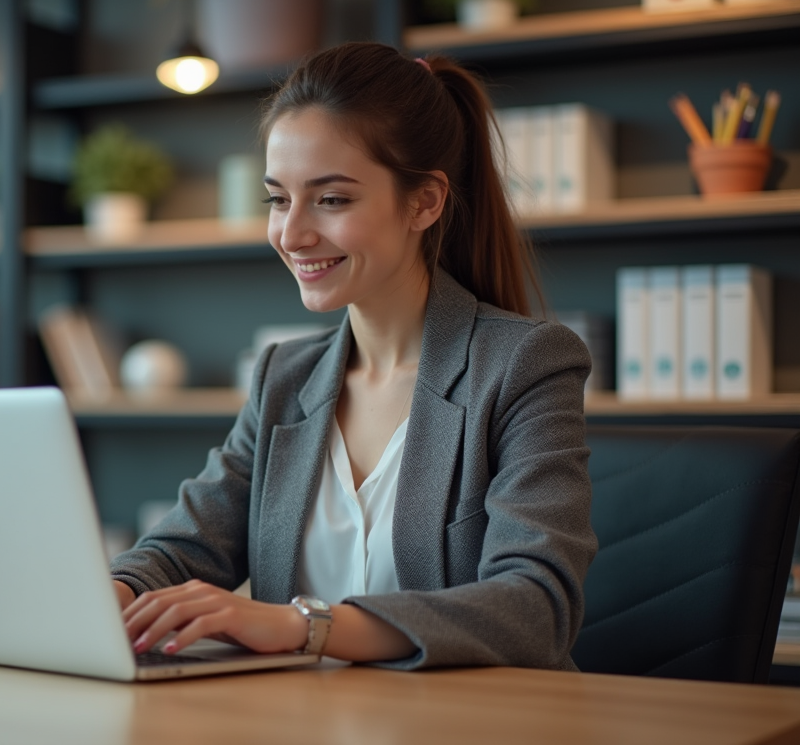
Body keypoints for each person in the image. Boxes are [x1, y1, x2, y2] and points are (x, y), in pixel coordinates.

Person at [109, 42, 597, 671]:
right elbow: (184, 547)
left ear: (424, 202)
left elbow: (536, 606)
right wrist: (113, 594)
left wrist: (301, 626)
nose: (292, 234)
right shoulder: (284, 377)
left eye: (332, 199)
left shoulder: (526, 365)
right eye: (278, 199)